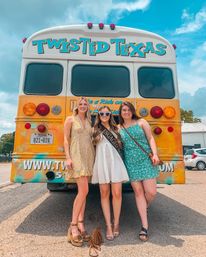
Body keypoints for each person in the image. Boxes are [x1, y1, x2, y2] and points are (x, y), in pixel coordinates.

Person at [118, 101, 159, 242]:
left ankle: (144, 207)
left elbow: (151, 138)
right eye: (124, 110)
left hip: (146, 160)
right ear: (120, 112)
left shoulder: (142, 122)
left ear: (132, 111)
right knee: (138, 193)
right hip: (131, 163)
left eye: (128, 109)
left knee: (151, 192)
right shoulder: (119, 128)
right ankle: (144, 226)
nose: (126, 112)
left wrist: (155, 154)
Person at [91, 106, 129, 240]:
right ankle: (108, 225)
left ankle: (116, 223)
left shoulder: (117, 129)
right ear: (98, 115)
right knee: (104, 194)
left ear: (110, 115)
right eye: (102, 113)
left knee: (117, 194)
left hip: (116, 164)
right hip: (102, 164)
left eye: (107, 113)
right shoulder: (94, 130)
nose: (105, 115)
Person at [64, 97, 95, 247]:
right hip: (76, 156)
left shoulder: (90, 121)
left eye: (85, 104)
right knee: (83, 191)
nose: (83, 106)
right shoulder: (70, 119)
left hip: (89, 157)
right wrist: (68, 158)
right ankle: (73, 226)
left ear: (88, 107)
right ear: (77, 106)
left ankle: (81, 224)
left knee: (84, 192)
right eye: (81, 104)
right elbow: (65, 139)